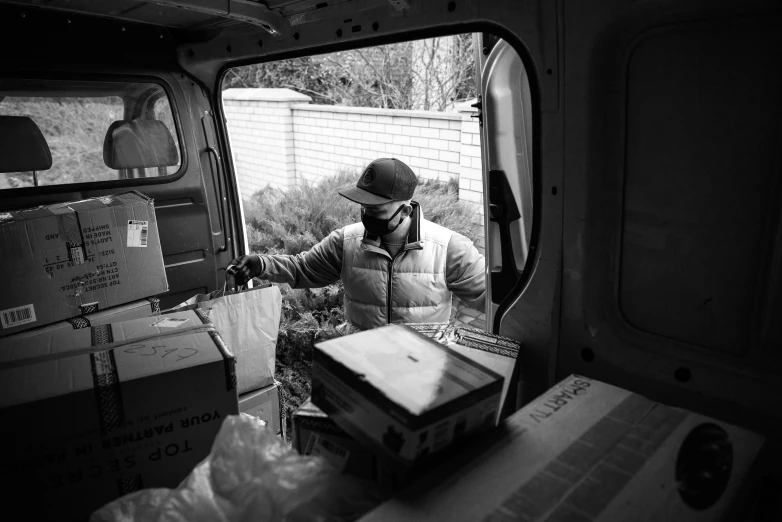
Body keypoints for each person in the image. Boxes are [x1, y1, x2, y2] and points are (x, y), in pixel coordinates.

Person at [229, 157, 485, 332]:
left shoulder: (449, 249)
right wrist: (260, 263)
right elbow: (302, 268)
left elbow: (494, 300)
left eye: (377, 210)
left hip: (422, 369)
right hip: (360, 363)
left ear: (406, 211)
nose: (367, 215)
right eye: (364, 208)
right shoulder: (345, 242)